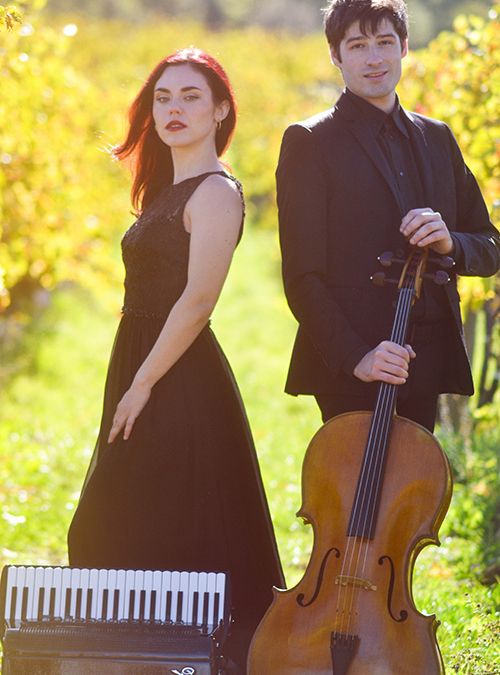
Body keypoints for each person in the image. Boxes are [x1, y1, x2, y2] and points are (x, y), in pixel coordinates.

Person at [68, 47, 284, 672]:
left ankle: (177, 657)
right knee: (129, 516)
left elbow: (197, 302)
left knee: (147, 518)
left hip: (178, 376)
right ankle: (135, 657)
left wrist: (142, 384)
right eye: (163, 98)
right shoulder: (167, 190)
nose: (173, 109)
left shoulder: (216, 192)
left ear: (221, 110)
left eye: (190, 96)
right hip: (142, 362)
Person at [277, 0, 499, 432]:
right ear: (335, 55)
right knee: (358, 493)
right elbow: (302, 277)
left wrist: (451, 242)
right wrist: (357, 356)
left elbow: (490, 245)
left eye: (384, 42)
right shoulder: (309, 141)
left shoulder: (437, 138)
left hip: (427, 356)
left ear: (404, 47)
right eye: (357, 45)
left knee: (411, 498)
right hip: (352, 365)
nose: (374, 58)